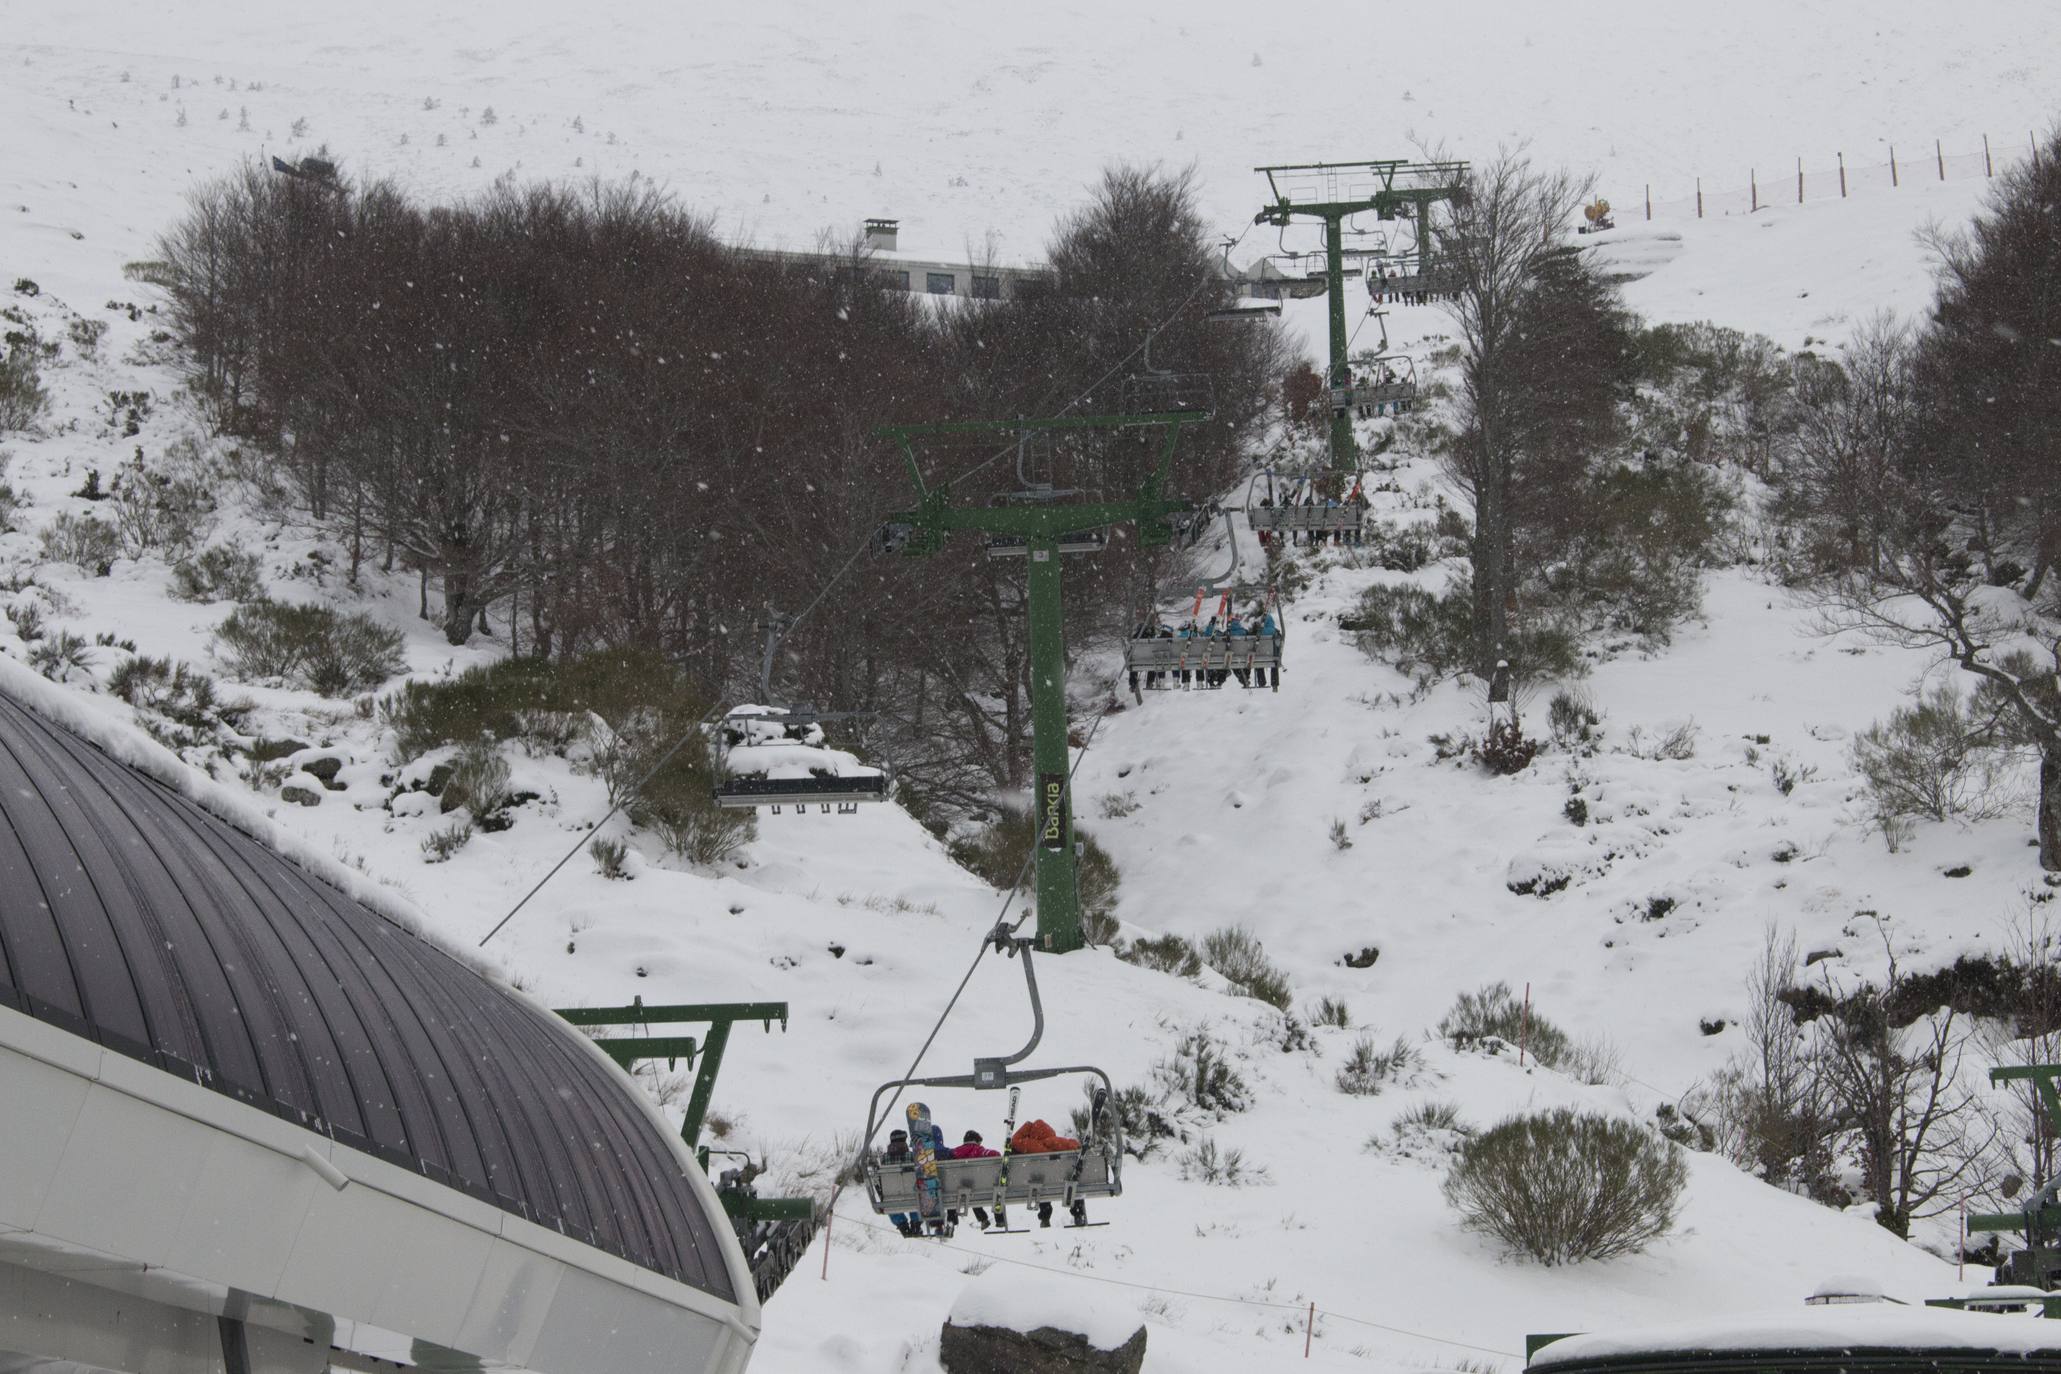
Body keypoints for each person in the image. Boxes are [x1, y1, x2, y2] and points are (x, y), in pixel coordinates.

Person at [952, 1130, 1000, 1230]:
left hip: (962, 1190)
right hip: (981, 1186)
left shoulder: (955, 1152)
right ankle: (1000, 1220)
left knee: (970, 1192)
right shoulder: (978, 1150)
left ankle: (983, 1219)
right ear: (975, 1141)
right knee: (997, 1190)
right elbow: (995, 1154)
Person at [883, 1129, 921, 1237]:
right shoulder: (912, 1156)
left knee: (891, 1198)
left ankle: (902, 1224)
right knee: (915, 1195)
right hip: (913, 1195)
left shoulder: (884, 1158)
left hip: (893, 1196)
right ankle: (916, 1222)